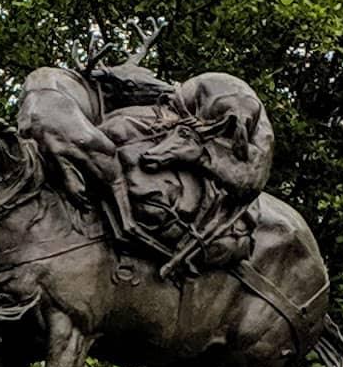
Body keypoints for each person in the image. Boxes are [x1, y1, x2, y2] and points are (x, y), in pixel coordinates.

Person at [17, 51, 273, 277]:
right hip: (194, 122)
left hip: (210, 130)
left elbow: (244, 172)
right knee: (118, 132)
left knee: (120, 134)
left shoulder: (223, 114)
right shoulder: (170, 107)